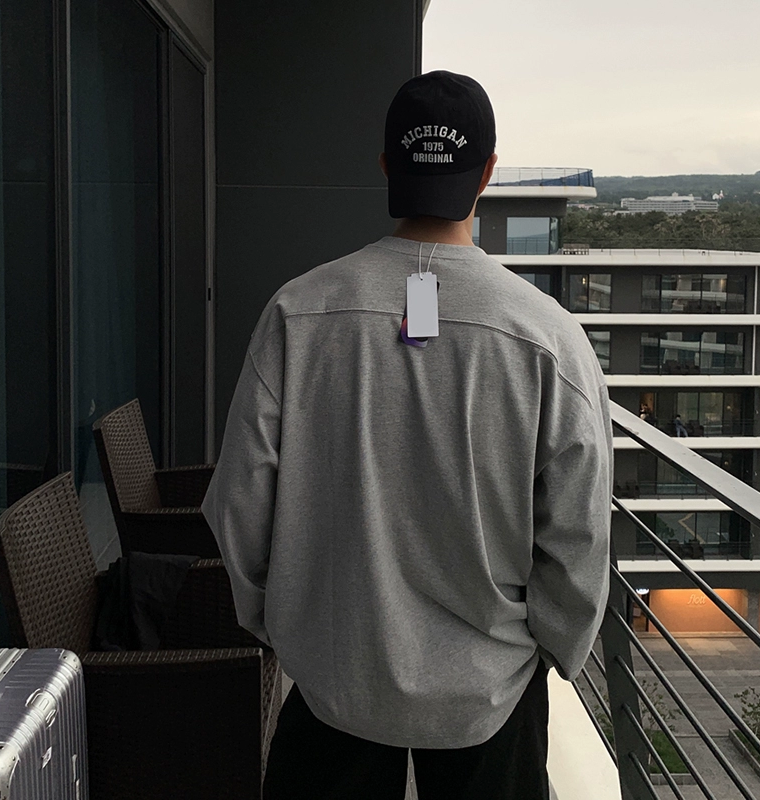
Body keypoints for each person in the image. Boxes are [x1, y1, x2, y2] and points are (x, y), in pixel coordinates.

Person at [202, 70, 612, 800]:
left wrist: (284, 623)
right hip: (491, 689)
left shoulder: (298, 312)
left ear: (387, 164)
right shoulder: (548, 337)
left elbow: (238, 503)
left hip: (333, 677)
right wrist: (552, 646)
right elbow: (578, 536)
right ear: (487, 172)